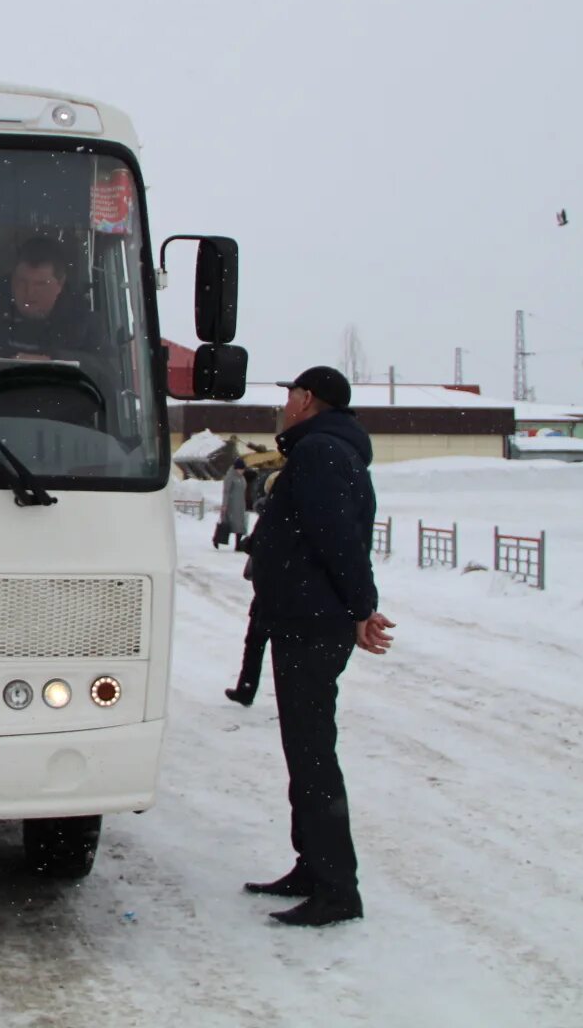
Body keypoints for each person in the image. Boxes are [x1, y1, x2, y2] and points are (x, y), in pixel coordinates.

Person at [243, 366, 393, 926]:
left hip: (313, 622)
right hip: (306, 616)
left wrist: (361, 607)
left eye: (289, 396)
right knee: (304, 749)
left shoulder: (320, 454)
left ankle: (336, 889)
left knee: (312, 755)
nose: (284, 406)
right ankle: (312, 865)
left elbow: (338, 538)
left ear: (306, 399)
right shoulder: (329, 450)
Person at [0, 236, 106, 390]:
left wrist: (54, 360)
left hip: (63, 418)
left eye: (40, 284)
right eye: (22, 282)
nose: (29, 293)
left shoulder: (86, 326)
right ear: (12, 278)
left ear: (60, 284)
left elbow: (111, 377)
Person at [213, 458, 250, 551]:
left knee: (240, 526)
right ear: (236, 468)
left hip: (240, 505)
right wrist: (225, 505)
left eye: (243, 469)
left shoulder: (242, 478)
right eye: (241, 469)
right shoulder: (230, 477)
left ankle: (237, 545)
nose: (242, 471)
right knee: (228, 525)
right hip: (231, 505)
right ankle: (217, 540)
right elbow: (226, 492)